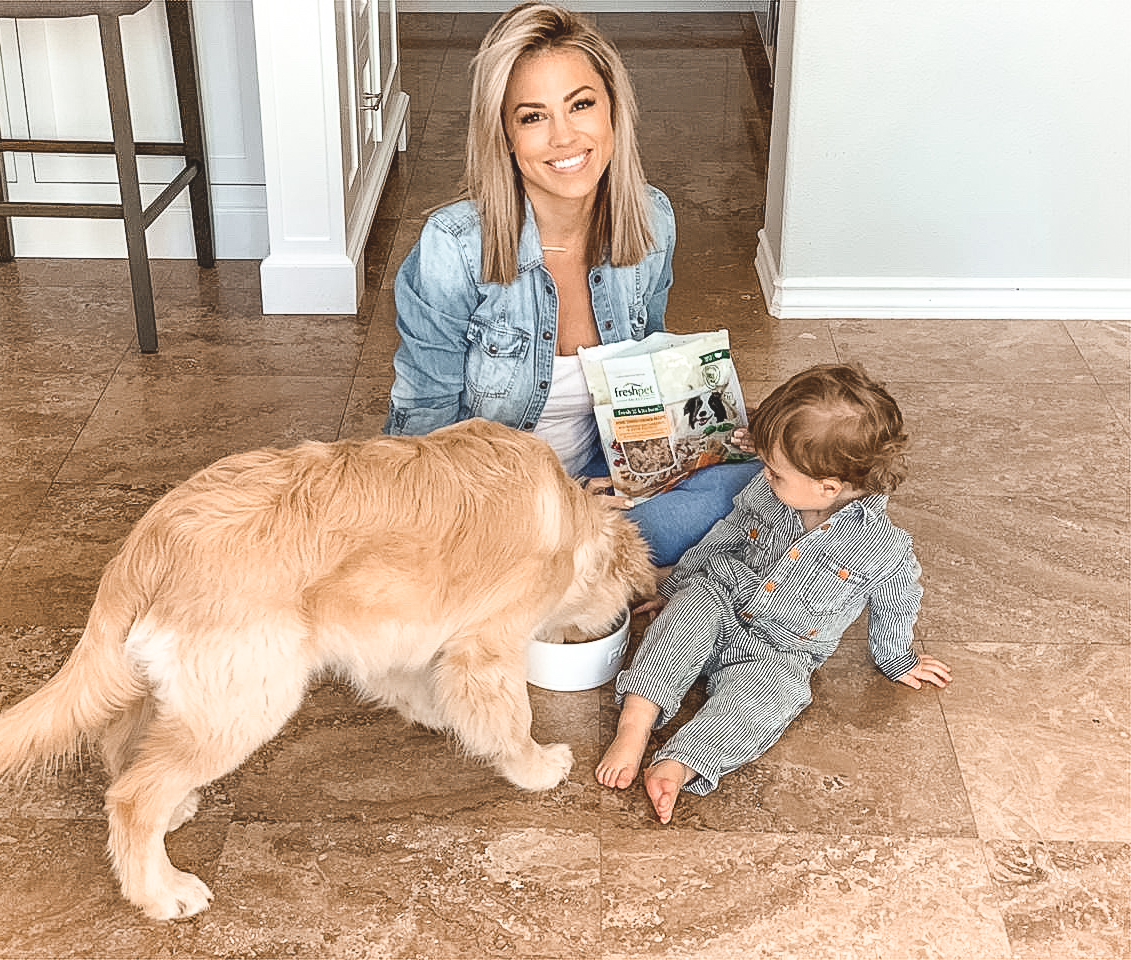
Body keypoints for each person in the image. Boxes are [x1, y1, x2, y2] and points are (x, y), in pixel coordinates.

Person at [385, 1, 762, 566]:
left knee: (754, 475)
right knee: (423, 532)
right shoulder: (454, 245)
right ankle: (603, 565)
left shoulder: (652, 220)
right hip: (486, 495)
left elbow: (647, 371)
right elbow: (425, 436)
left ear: (613, 111)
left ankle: (581, 563)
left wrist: (699, 441)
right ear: (505, 136)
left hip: (598, 478)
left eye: (580, 105)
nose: (564, 137)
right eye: (533, 117)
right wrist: (551, 503)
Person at [595, 364, 952, 824]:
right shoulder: (767, 494)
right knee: (688, 611)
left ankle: (683, 761)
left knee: (775, 696)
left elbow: (897, 601)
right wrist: (675, 583)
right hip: (722, 598)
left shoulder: (882, 549)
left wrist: (897, 658)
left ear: (828, 487)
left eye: (776, 472)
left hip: (782, 649)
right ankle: (635, 724)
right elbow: (724, 539)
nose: (764, 476)